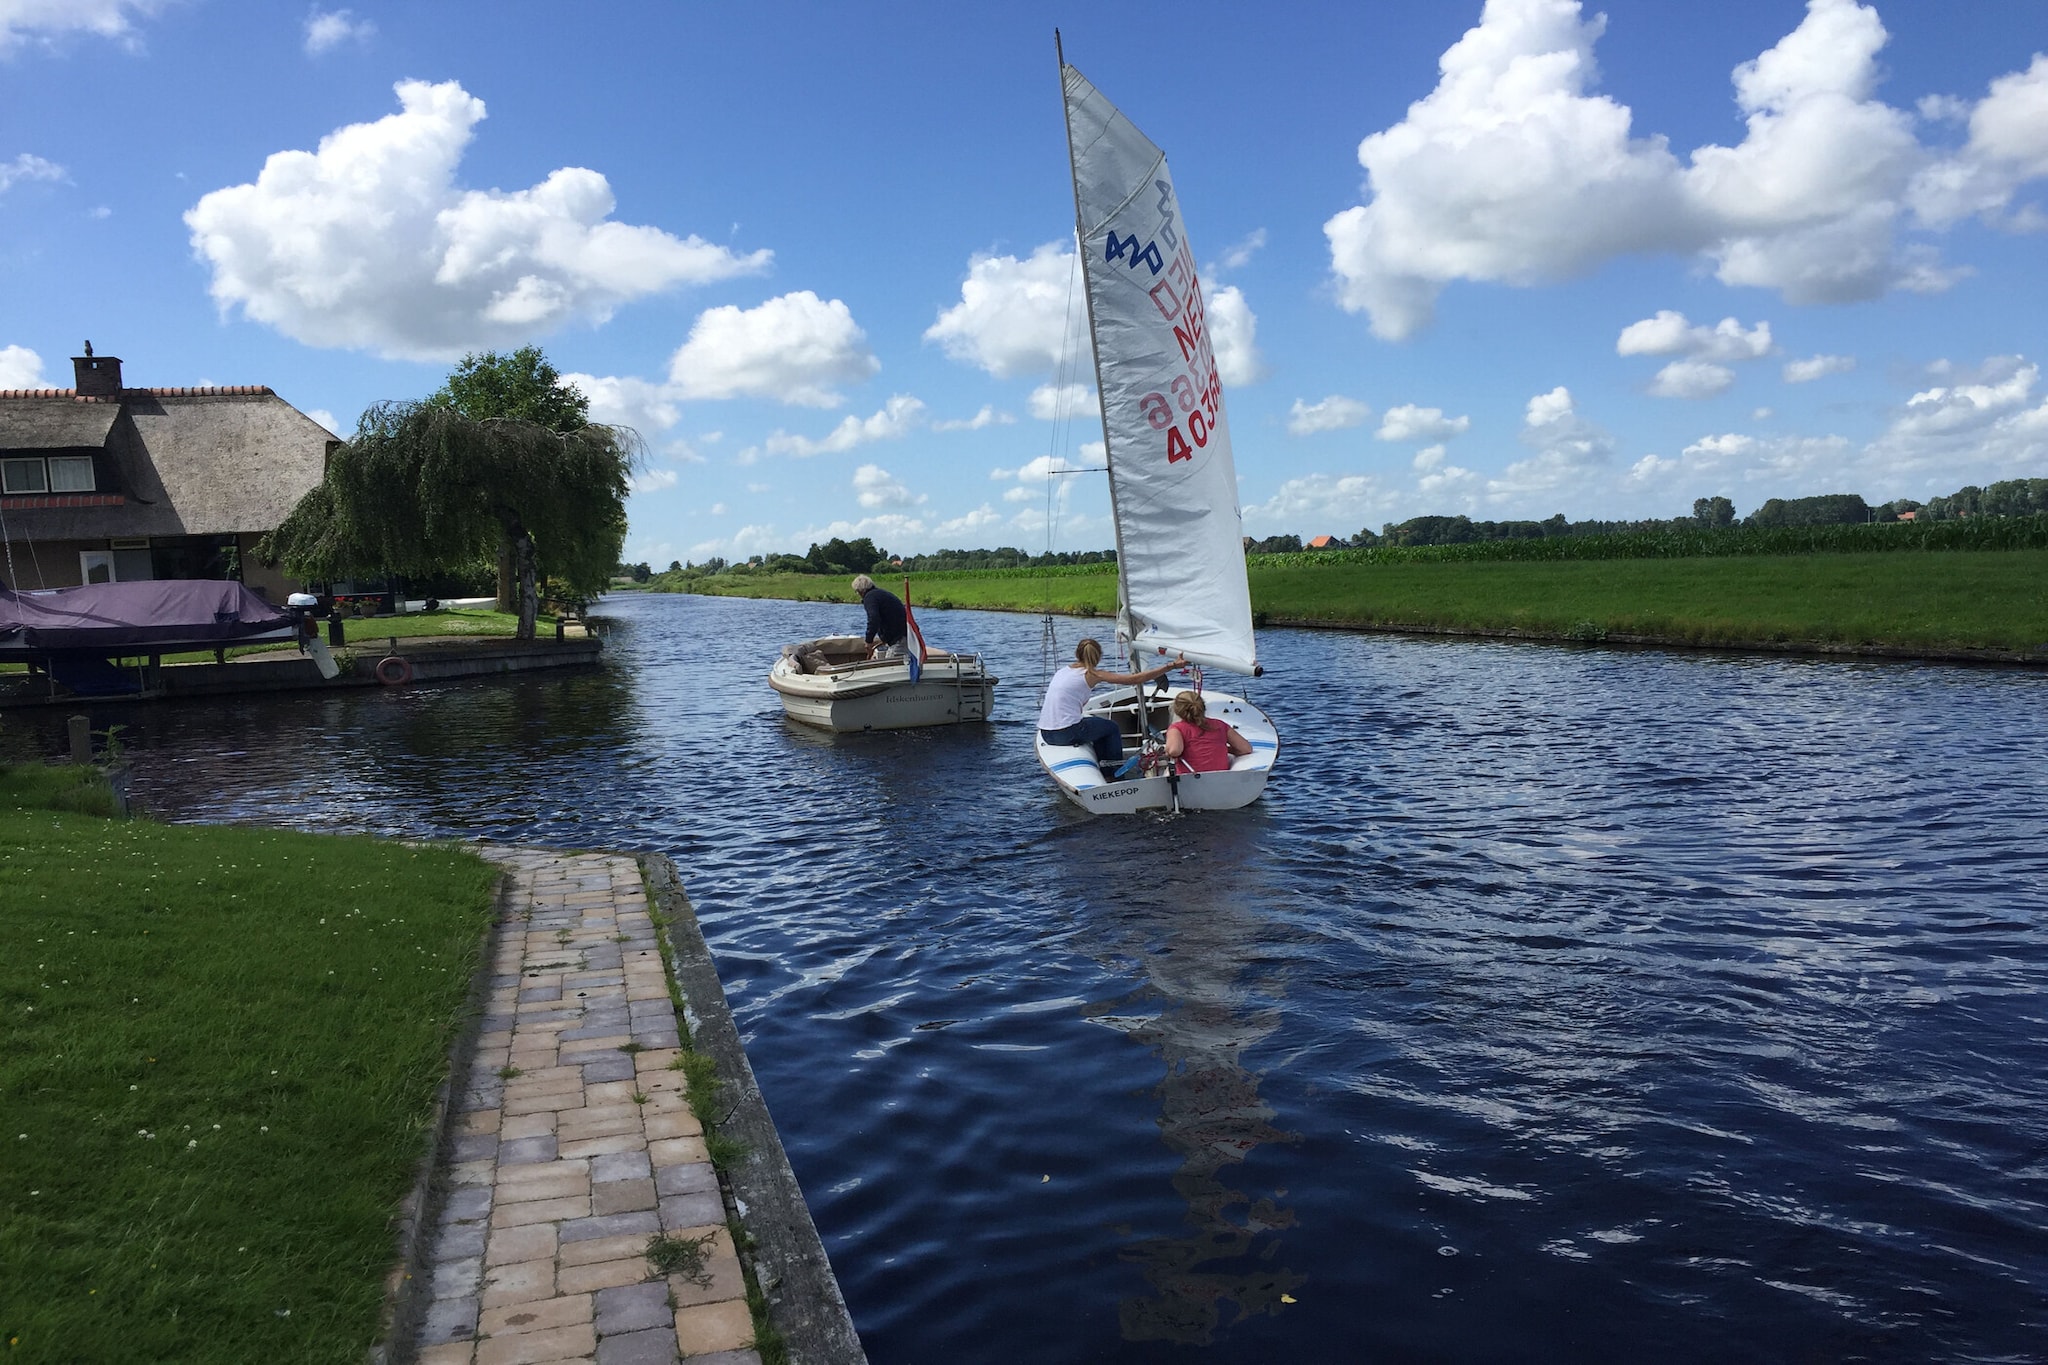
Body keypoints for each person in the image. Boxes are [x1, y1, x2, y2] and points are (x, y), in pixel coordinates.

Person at [1037, 638, 1186, 777]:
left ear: (1077, 654)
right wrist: (1171, 666)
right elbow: (1134, 679)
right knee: (1112, 728)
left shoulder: (1063, 671)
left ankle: (1104, 767)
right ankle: (1114, 772)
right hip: (1066, 733)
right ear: (1099, 656)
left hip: (1046, 733)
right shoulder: (1093, 674)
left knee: (1100, 728)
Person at [1163, 689, 1252, 774]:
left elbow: (1174, 751)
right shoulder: (1220, 725)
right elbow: (1245, 748)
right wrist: (1226, 749)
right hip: (1220, 777)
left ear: (1177, 711)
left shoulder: (1177, 729)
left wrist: (1167, 750)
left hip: (1191, 779)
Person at [850, 574, 906, 658]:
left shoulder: (870, 598)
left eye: (857, 591)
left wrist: (869, 640)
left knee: (890, 666)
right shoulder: (881, 594)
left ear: (861, 590)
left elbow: (873, 619)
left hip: (898, 639)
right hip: (904, 635)